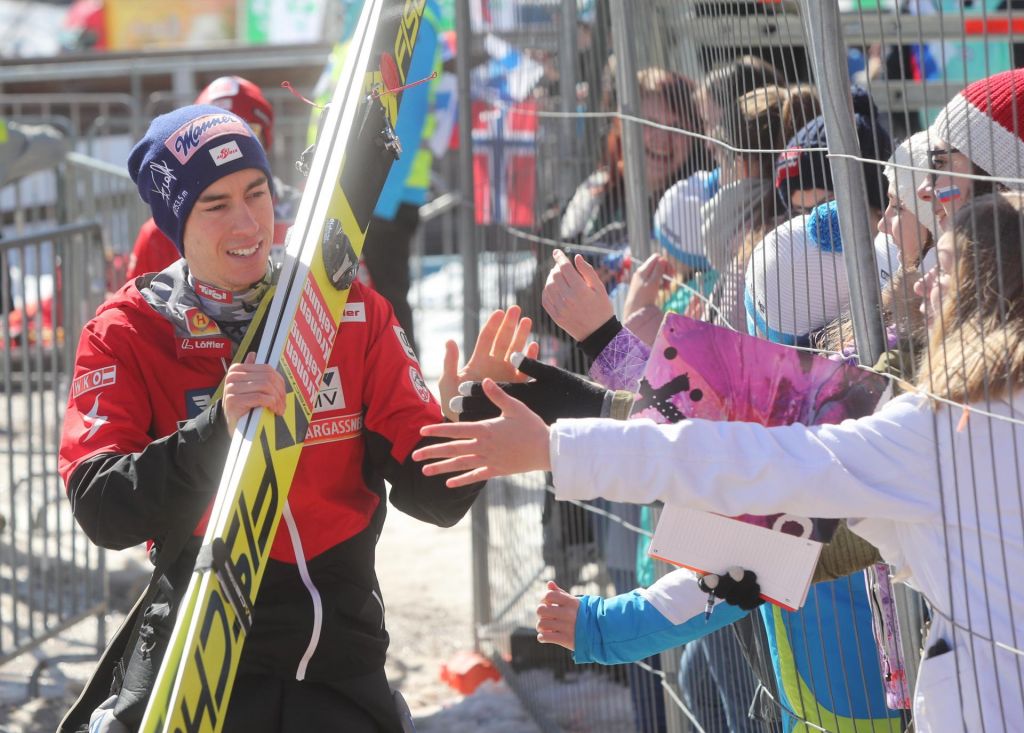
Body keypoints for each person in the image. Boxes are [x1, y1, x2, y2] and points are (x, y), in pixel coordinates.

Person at [413, 190, 1024, 732]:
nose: (917, 279)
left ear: (986, 288)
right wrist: (552, 399)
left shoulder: (943, 430)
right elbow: (764, 519)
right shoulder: (955, 418)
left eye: (940, 266)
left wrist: (558, 434)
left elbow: (749, 469)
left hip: (855, 681)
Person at [58, 104, 505, 732]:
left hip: (335, 644)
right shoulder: (129, 331)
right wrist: (215, 431)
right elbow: (102, 507)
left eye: (257, 192)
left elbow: (434, 499)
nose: (247, 222)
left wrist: (475, 415)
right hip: (200, 635)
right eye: (214, 205)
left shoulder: (348, 312)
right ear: (175, 223)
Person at [124, 76, 299, 281]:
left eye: (246, 128)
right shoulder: (158, 234)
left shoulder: (310, 213)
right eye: (216, 207)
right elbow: (137, 304)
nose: (248, 226)